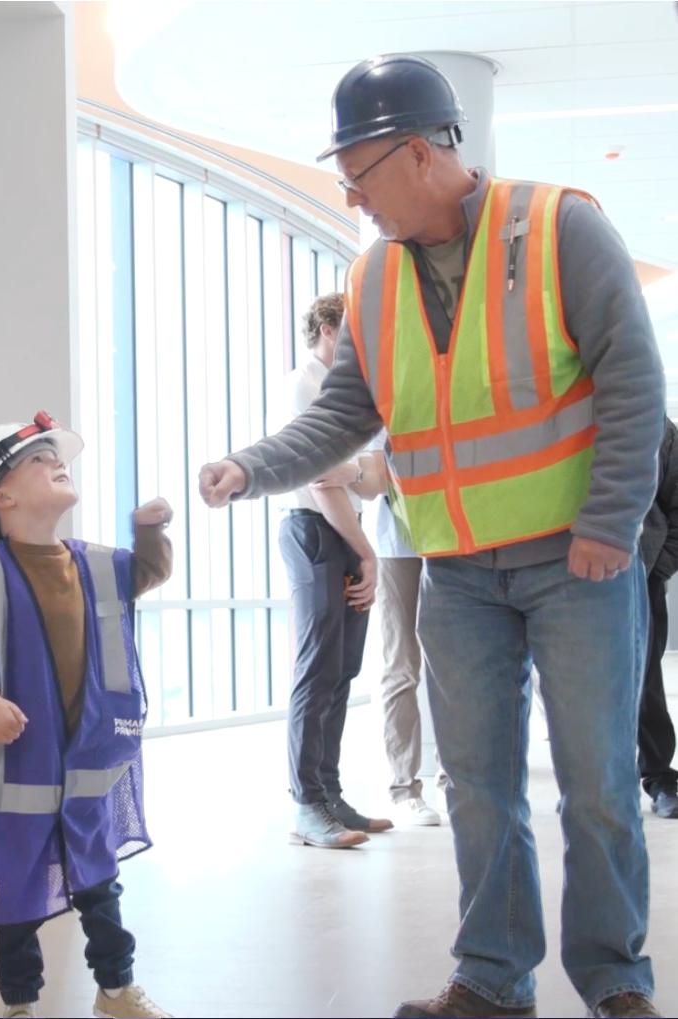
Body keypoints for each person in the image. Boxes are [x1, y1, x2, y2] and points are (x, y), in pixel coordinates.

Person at [199, 54, 664, 1019]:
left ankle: (614, 976)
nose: (350, 194)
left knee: (596, 787)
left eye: (358, 171)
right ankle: (493, 977)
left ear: (418, 151)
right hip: (454, 571)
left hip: (576, 562)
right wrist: (251, 466)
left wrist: (609, 523)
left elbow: (631, 383)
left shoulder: (558, 228)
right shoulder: (371, 279)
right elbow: (342, 417)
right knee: (478, 788)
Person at [0, 411, 173, 1019]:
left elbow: (150, 571)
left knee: (100, 886)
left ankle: (115, 991)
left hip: (87, 764)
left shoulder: (95, 564)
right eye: (37, 460)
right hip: (21, 771)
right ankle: (20, 1004)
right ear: (2, 496)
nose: (55, 462)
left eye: (54, 455)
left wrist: (149, 529)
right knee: (17, 899)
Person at [276, 293, 392, 849]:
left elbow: (374, 477)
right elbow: (327, 481)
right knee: (318, 667)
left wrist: (355, 476)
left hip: (342, 532)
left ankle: (330, 795)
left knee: (342, 670)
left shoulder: (344, 392)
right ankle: (306, 805)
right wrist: (366, 551)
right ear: (327, 326)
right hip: (316, 531)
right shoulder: (305, 385)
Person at [314, 434, 441, 827]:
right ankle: (404, 788)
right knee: (401, 666)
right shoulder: (385, 396)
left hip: (453, 540)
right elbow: (370, 479)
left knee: (454, 668)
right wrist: (358, 472)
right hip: (395, 546)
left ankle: (459, 781)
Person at [638, 415, 678, 819]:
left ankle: (660, 776)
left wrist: (659, 566)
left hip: (639, 572)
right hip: (562, 573)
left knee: (645, 680)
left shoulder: (659, 428)